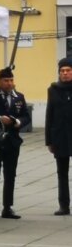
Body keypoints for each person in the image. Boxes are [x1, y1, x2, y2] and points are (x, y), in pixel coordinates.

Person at [0, 67, 29, 220]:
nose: (9, 83)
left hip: (12, 141)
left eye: (11, 80)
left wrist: (16, 121)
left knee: (10, 174)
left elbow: (26, 116)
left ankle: (7, 207)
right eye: (6, 81)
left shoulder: (19, 97)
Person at [46, 57, 72, 216]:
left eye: (68, 71)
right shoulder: (53, 89)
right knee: (62, 172)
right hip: (60, 136)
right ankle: (64, 205)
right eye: (62, 71)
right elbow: (50, 114)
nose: (65, 73)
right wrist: (49, 140)